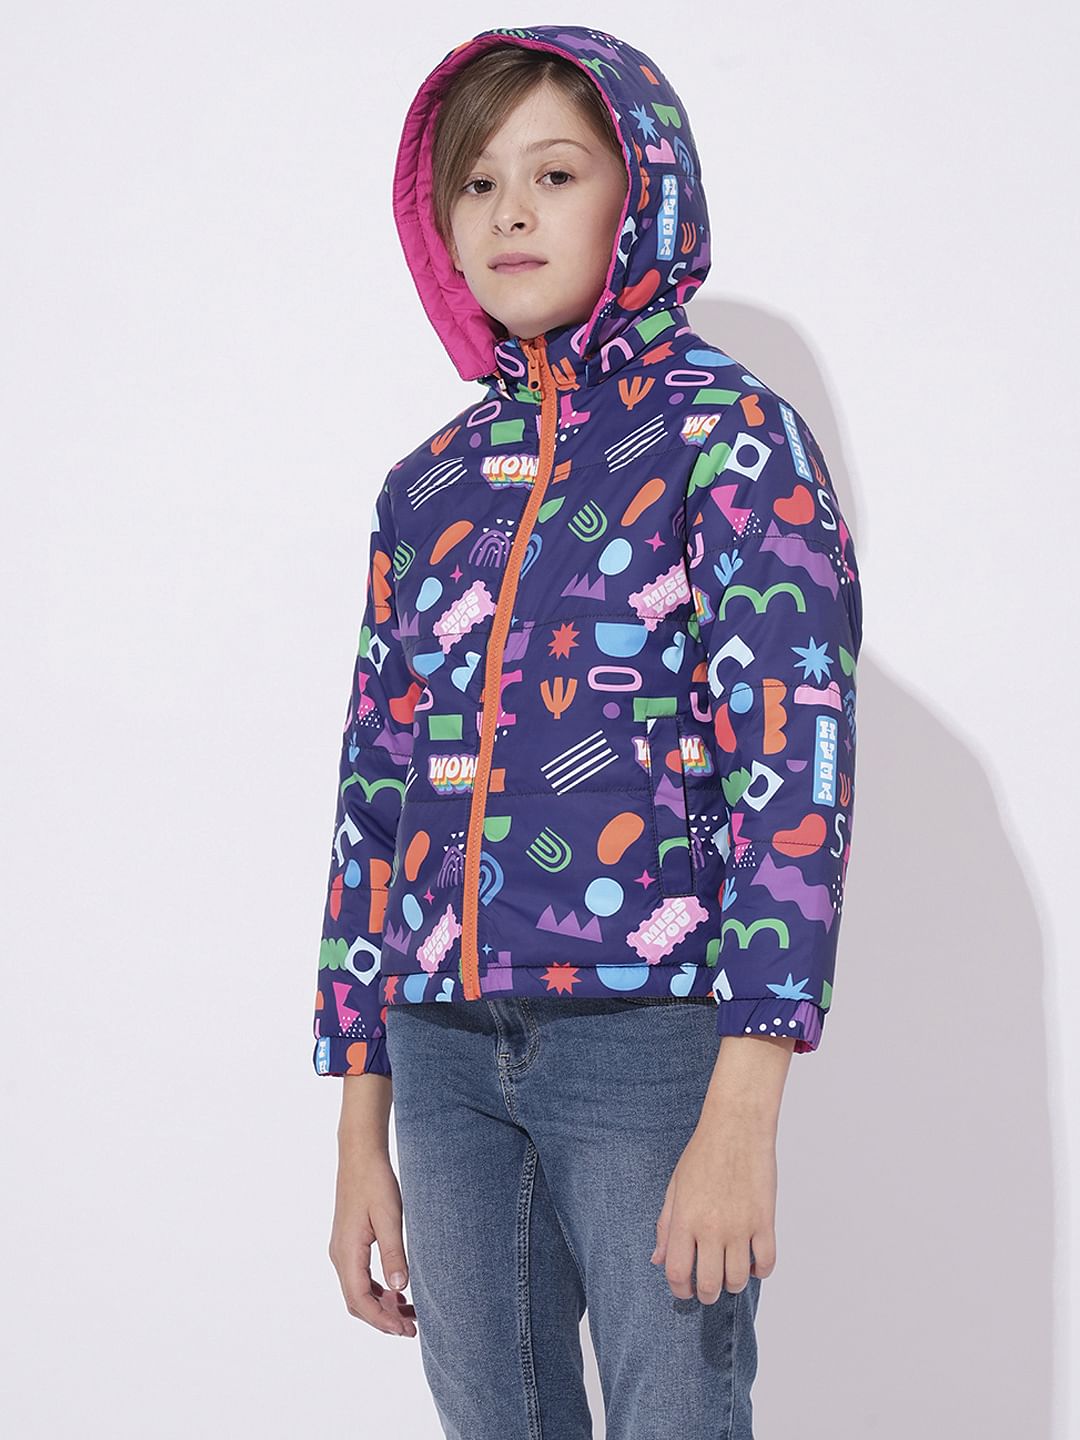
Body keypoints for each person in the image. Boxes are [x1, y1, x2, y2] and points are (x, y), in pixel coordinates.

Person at [313, 24, 863, 1439]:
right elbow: (375, 799)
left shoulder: (731, 441)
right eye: (476, 182)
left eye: (554, 174)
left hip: (649, 1044)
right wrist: (361, 1123)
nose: (509, 211)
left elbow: (793, 788)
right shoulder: (426, 489)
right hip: (439, 1053)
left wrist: (743, 1112)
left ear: (640, 196)